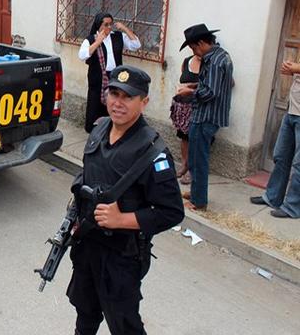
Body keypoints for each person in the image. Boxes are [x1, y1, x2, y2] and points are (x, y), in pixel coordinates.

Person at [68, 65, 184, 335]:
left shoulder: (153, 152)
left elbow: (172, 212)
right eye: (114, 93)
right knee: (85, 313)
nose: (117, 103)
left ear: (144, 102)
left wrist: (122, 219)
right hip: (87, 245)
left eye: (127, 97)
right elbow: (88, 177)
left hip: (121, 255)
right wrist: (76, 217)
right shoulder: (99, 129)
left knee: (124, 324)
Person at [177, 24, 234, 211]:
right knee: (194, 157)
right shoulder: (219, 55)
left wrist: (188, 93)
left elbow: (210, 92)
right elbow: (207, 84)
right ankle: (195, 192)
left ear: (201, 43)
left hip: (206, 116)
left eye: (193, 47)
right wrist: (193, 86)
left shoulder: (215, 61)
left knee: (198, 159)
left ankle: (198, 201)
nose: (194, 51)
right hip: (204, 115)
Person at [250, 60, 300, 218]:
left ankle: (292, 207)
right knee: (281, 156)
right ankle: (272, 197)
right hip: (292, 110)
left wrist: (296, 68)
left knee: (299, 165)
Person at [78, 13, 141, 133]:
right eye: (105, 24)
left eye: (110, 24)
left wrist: (124, 28)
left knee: (113, 104)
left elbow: (136, 45)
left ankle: (111, 131)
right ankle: (94, 133)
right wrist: (97, 42)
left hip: (115, 77)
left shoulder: (117, 36)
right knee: (95, 106)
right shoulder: (91, 39)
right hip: (98, 78)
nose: (109, 27)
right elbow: (82, 55)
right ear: (98, 25)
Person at [170, 54, 202, 185]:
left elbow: (210, 86)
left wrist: (190, 88)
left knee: (195, 138)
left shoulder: (209, 64)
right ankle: (184, 165)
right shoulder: (187, 61)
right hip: (183, 107)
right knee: (184, 137)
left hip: (197, 107)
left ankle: (192, 170)